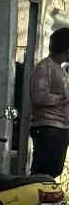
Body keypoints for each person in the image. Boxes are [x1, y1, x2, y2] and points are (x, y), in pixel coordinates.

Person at [29, 27, 69, 178]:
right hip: (48, 127)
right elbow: (39, 97)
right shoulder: (44, 67)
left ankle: (46, 200)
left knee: (54, 171)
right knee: (42, 173)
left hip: (60, 128)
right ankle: (33, 199)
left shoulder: (60, 69)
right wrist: (62, 98)